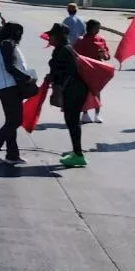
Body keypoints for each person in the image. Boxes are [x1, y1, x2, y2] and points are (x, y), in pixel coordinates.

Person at [0, 23, 35, 164]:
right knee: (15, 120)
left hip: (0, 86)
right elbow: (10, 67)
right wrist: (27, 78)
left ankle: (12, 154)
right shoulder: (7, 44)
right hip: (9, 86)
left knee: (11, 121)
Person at [47, 23, 89, 167]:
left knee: (72, 121)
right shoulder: (64, 49)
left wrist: (56, 90)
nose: (48, 37)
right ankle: (76, 152)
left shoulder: (63, 50)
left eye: (51, 35)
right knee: (72, 121)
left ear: (58, 37)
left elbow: (67, 73)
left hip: (73, 90)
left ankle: (78, 154)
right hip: (75, 89)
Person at [74, 19, 110, 123]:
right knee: (84, 92)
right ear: (90, 28)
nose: (98, 30)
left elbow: (107, 55)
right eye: (97, 28)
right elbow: (76, 55)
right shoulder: (81, 40)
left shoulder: (101, 39)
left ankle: (97, 114)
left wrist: (104, 55)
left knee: (97, 92)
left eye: (99, 28)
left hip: (98, 69)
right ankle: (85, 114)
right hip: (84, 69)